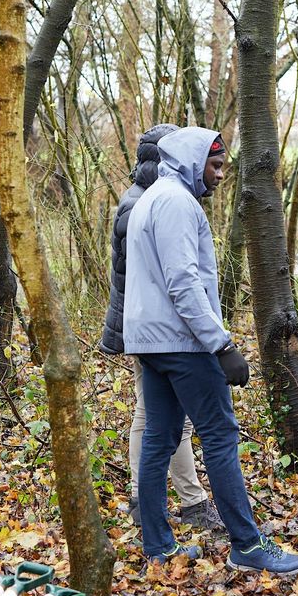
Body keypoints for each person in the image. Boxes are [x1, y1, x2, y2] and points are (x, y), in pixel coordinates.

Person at [124, 126, 298, 573]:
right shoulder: (175, 203)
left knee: (159, 440)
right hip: (184, 343)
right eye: (216, 165)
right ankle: (246, 545)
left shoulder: (152, 196)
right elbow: (183, 282)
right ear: (192, 160)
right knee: (221, 437)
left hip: (154, 342)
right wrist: (221, 344)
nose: (222, 175)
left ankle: (158, 547)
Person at [100, 124, 224, 532]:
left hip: (151, 327)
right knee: (157, 419)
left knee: (162, 420)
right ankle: (173, 501)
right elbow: (166, 279)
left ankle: (169, 502)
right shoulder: (153, 204)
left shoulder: (146, 199)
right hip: (157, 331)